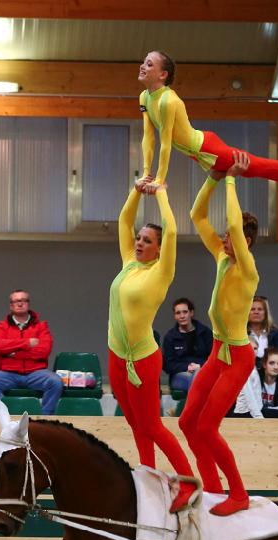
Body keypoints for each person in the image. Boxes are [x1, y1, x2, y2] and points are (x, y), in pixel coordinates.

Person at [136, 50, 278, 205]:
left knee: (259, 167)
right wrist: (146, 174)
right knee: (254, 169)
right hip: (199, 153)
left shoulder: (168, 101)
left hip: (207, 148)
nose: (142, 66)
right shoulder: (144, 97)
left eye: (149, 64)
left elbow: (165, 143)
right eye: (144, 62)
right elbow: (149, 137)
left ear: (163, 74)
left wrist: (160, 179)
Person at [179, 152, 259, 516]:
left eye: (231, 236)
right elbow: (196, 216)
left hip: (238, 358)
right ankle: (211, 488)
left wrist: (230, 179)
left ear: (244, 241)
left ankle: (238, 494)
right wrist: (212, 178)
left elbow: (232, 223)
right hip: (217, 352)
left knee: (208, 428)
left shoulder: (247, 269)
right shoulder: (222, 258)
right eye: (225, 237)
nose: (225, 240)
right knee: (187, 422)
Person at [108, 181, 195, 513]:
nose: (140, 242)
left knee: (152, 425)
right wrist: (135, 190)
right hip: (116, 356)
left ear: (159, 248)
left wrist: (160, 194)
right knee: (134, 423)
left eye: (147, 240)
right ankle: (147, 474)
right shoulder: (129, 261)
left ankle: (187, 482)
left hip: (142, 361)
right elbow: (123, 221)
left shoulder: (161, 272)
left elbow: (171, 231)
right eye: (139, 238)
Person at [0, 290, 63, 415]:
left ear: (28, 304)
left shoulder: (41, 326)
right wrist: (27, 343)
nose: (20, 304)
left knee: (55, 382)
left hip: (35, 373)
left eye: (23, 300)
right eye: (16, 301)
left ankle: (45, 420)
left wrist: (13, 353)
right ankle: (9, 416)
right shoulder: (2, 326)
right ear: (11, 305)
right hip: (7, 373)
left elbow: (44, 351)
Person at [162, 297, 213, 392]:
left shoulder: (205, 333)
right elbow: (168, 365)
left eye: (185, 312)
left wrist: (200, 366)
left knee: (202, 378)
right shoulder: (170, 337)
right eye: (178, 313)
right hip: (180, 375)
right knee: (195, 380)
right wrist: (187, 367)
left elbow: (213, 358)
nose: (182, 316)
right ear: (175, 316)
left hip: (203, 371)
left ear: (191, 313)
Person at [247, 295, 278, 369]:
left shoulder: (276, 334)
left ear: (266, 313)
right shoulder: (240, 334)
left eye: (260, 309)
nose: (256, 312)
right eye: (252, 309)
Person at [229, 334, 263, 419]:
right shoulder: (242, 369)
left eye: (255, 348)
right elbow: (249, 394)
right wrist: (259, 416)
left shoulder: (253, 366)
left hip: (256, 410)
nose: (253, 351)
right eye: (250, 348)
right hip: (245, 413)